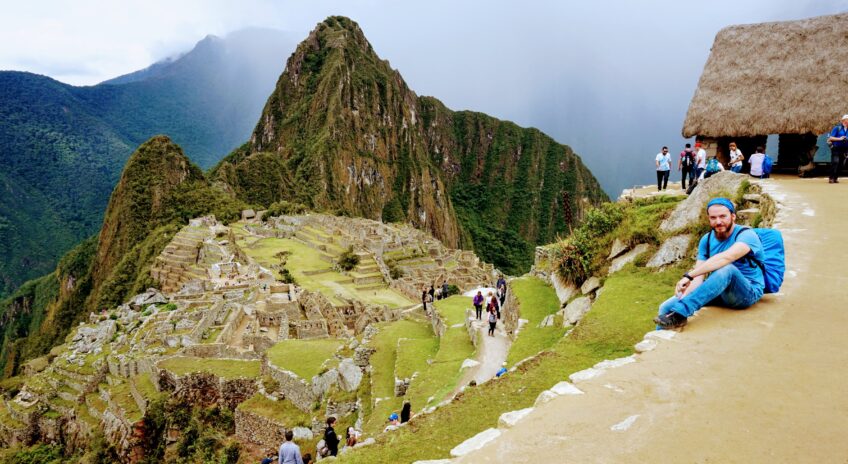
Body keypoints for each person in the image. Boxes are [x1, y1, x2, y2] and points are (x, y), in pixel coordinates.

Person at [653, 198, 765, 329]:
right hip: (720, 291)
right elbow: (699, 277)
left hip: (747, 293)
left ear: (733, 216)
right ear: (709, 219)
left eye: (723, 216)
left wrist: (689, 275)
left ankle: (681, 312)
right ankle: (662, 340)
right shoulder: (706, 240)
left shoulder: (746, 235)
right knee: (666, 306)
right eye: (713, 217)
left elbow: (726, 258)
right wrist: (684, 294)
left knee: (727, 269)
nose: (718, 221)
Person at [826, 114, 848, 183]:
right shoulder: (837, 128)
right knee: (835, 162)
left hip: (844, 149)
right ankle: (831, 178)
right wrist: (840, 138)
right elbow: (830, 138)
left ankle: (835, 178)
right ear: (844, 121)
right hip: (836, 148)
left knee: (841, 164)